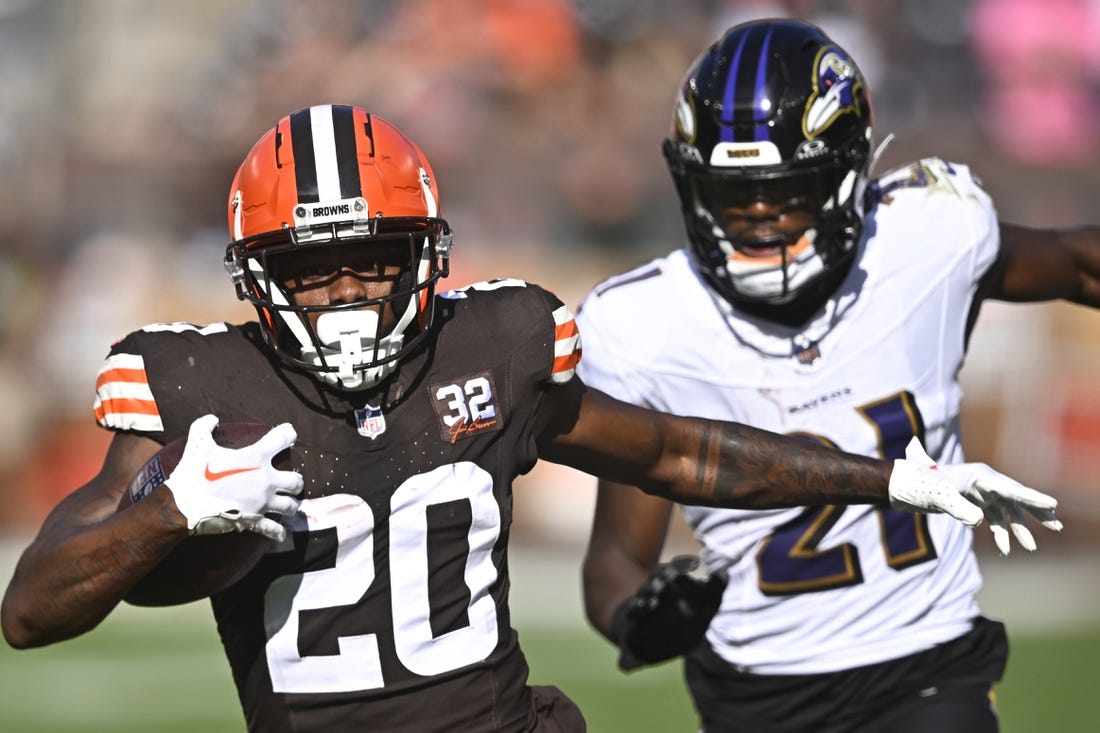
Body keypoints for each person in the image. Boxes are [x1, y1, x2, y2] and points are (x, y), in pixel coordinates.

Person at [1, 104, 1058, 733]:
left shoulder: (492, 343)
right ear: (255, 278)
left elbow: (675, 450)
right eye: (312, 271)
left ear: (426, 252)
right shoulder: (193, 387)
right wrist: (165, 513)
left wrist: (894, 479)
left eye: (374, 260)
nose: (350, 294)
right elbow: (30, 612)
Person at [577, 18, 1091, 733]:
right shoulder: (644, 326)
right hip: (753, 692)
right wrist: (640, 621)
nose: (758, 222)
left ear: (848, 176)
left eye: (785, 192)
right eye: (732, 196)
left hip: (926, 660)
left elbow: (1077, 262)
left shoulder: (925, 238)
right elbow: (614, 559)